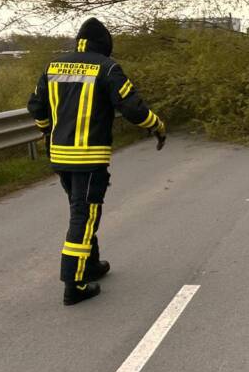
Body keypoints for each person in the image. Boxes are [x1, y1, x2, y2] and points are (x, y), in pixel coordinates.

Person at [27, 17, 166, 305]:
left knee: (80, 209)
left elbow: (37, 106)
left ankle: (90, 265)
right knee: (84, 216)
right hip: (89, 157)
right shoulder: (107, 67)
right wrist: (157, 125)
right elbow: (132, 107)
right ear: (105, 45)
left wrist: (47, 131)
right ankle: (74, 285)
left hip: (60, 156)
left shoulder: (53, 66)